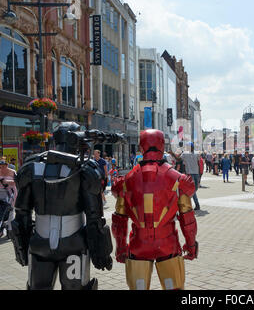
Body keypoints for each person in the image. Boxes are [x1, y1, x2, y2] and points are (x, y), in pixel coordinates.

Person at [9, 122, 113, 289]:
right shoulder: (84, 169)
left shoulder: (33, 166)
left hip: (40, 245)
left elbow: (21, 214)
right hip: (73, 244)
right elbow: (94, 218)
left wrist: (21, 248)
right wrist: (101, 253)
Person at [111, 129, 198, 290]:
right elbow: (187, 216)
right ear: (162, 146)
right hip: (167, 244)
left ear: (141, 147)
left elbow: (119, 220)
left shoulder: (126, 180)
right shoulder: (177, 179)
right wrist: (191, 245)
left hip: (138, 245)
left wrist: (121, 248)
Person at [0, 157, 17, 235]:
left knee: (10, 210)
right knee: (1, 210)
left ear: (7, 165)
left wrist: (8, 181)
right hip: (1, 192)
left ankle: (10, 229)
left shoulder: (12, 172)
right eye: (0, 166)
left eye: (3, 166)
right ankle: (2, 227)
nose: (2, 167)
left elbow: (17, 182)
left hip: (11, 192)